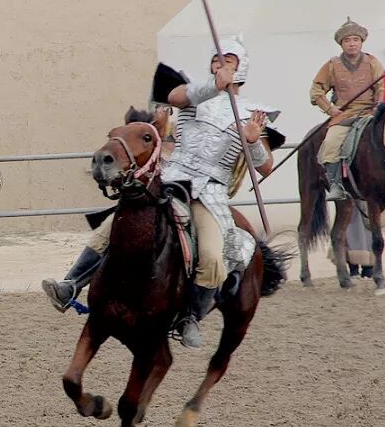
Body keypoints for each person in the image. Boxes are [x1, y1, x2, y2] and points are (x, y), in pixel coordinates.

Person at [43, 37, 277, 349]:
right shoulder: (195, 93)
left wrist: (252, 141)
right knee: (111, 228)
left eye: (228, 60)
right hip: (171, 180)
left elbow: (265, 167)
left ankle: (190, 316)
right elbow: (175, 96)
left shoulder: (252, 113)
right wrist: (214, 85)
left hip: (210, 193)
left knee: (211, 255)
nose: (220, 63)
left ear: (241, 68)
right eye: (216, 59)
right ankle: (71, 284)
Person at [310, 18, 385, 200]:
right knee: (331, 143)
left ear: (361, 42)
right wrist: (330, 109)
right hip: (344, 115)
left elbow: (381, 87)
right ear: (341, 44)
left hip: (370, 113)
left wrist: (378, 105)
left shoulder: (372, 62)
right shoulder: (332, 65)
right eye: (347, 40)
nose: (352, 44)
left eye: (355, 40)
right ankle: (335, 184)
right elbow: (316, 90)